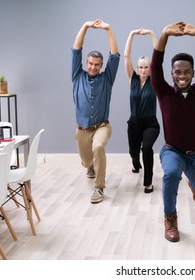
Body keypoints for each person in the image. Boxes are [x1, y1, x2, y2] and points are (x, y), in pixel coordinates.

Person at [150, 21, 195, 242]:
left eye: (187, 71)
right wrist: (165, 33)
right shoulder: (164, 93)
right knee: (170, 174)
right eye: (178, 72)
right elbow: (155, 66)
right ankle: (170, 218)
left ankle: (193, 183)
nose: (182, 75)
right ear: (172, 73)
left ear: (193, 73)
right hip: (172, 152)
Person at [71, 19, 120, 204]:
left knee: (98, 147)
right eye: (90, 63)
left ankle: (99, 188)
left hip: (102, 126)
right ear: (86, 63)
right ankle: (89, 166)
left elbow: (114, 56)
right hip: (82, 130)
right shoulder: (77, 76)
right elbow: (76, 50)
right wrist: (85, 26)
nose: (93, 67)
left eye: (97, 64)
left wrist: (109, 28)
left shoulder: (107, 79)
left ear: (101, 66)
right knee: (85, 161)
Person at [124, 29, 160, 194]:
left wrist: (152, 34)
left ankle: (148, 182)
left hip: (151, 123)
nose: (143, 70)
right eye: (140, 67)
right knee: (133, 151)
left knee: (146, 148)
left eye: (146, 67)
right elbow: (126, 57)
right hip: (134, 122)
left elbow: (159, 56)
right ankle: (135, 161)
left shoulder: (155, 81)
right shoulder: (133, 79)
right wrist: (132, 35)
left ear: (150, 68)